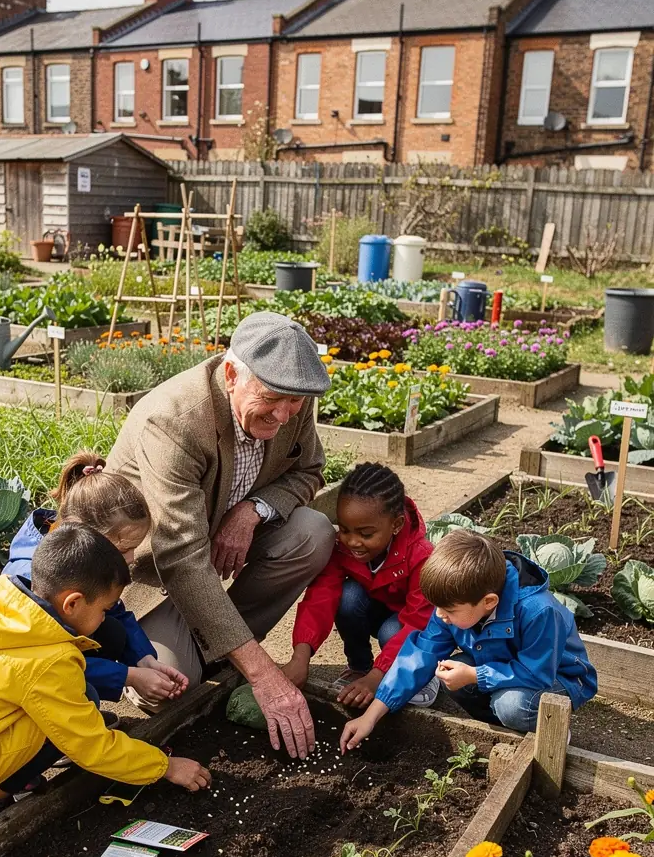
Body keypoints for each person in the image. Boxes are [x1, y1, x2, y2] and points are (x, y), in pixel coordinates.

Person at [106, 311, 337, 759]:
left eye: (294, 403)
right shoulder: (173, 421)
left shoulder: (291, 404)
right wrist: (265, 675)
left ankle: (220, 644)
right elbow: (179, 556)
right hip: (155, 573)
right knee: (172, 685)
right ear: (231, 375)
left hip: (214, 544)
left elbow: (310, 470)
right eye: (273, 399)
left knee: (313, 531)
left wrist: (251, 511)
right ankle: (188, 648)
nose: (285, 414)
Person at [0, 526, 211, 843]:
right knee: (63, 724)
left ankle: (5, 775)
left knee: (73, 700)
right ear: (72, 603)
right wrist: (165, 766)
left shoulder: (0, 601)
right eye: (104, 610)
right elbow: (91, 747)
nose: (104, 618)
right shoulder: (48, 661)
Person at [340, 529, 598, 753]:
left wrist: (476, 674)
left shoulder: (538, 611)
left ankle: (553, 732)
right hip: (502, 664)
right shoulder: (458, 600)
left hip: (560, 678)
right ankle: (508, 731)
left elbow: (537, 673)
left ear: (488, 602)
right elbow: (421, 653)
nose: (440, 615)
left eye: (449, 611)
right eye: (437, 607)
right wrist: (371, 716)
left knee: (511, 705)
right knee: (452, 678)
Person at [4, 452, 187, 710]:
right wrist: (128, 676)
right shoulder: (29, 580)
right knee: (88, 690)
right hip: (19, 683)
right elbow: (41, 664)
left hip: (46, 661)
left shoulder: (77, 562)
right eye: (123, 549)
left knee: (112, 632)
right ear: (85, 535)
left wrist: (145, 659)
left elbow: (116, 612)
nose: (132, 557)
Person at [285, 462, 439, 708]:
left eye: (366, 534)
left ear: (397, 525)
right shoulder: (343, 546)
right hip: (378, 608)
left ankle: (423, 675)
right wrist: (300, 656)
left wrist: (377, 678)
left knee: (392, 633)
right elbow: (321, 595)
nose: (353, 542)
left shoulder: (422, 557)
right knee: (347, 597)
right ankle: (360, 668)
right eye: (345, 530)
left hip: (413, 623)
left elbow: (418, 622)